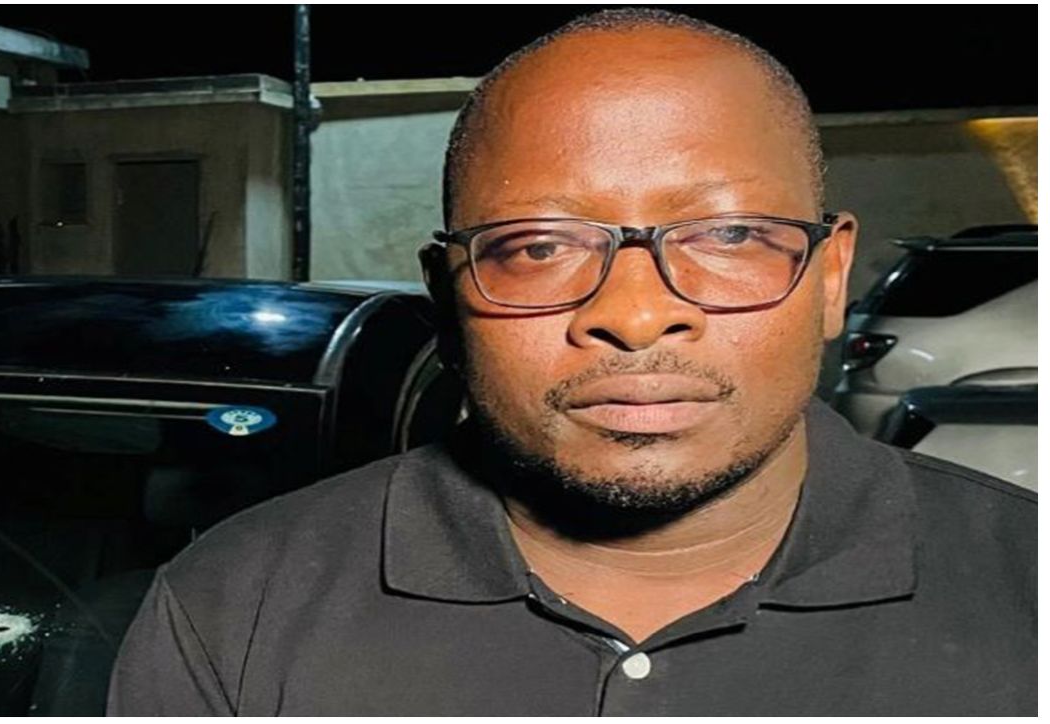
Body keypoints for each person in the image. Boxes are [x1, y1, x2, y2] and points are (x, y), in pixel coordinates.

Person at [107, 8, 1034, 716]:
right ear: (447, 294)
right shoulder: (236, 608)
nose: (635, 314)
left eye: (727, 234)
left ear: (829, 280)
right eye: (539, 246)